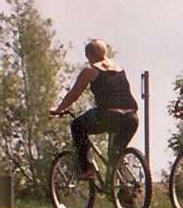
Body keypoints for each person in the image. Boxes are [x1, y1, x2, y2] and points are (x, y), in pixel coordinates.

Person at [51, 39, 139, 180]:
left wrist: (59, 109)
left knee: (77, 125)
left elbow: (74, 94)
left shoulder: (90, 70)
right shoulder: (119, 68)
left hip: (109, 116)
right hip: (131, 118)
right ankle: (126, 190)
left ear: (88, 56)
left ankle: (87, 169)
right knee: (115, 155)